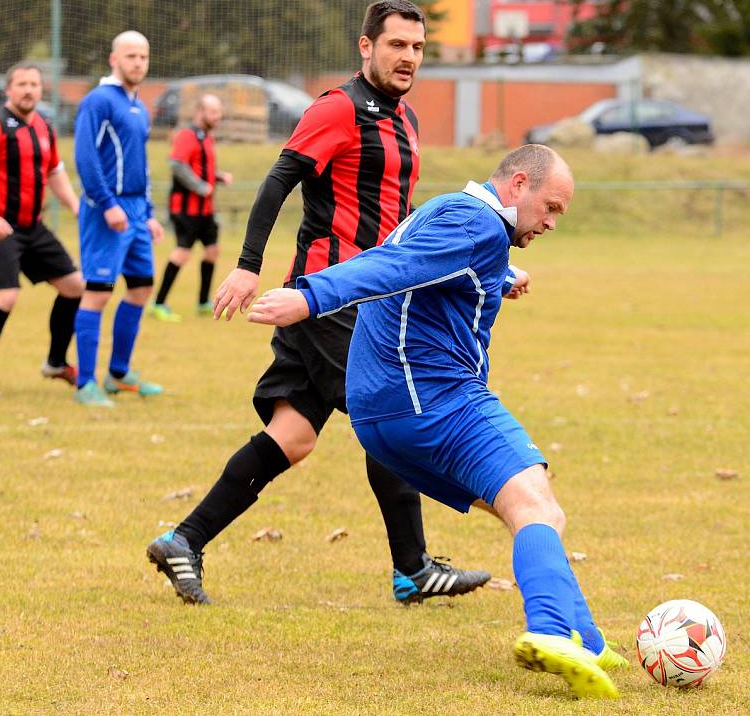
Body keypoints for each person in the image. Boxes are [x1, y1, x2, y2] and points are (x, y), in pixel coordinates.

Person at [246, 144, 631, 699]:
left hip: (384, 418)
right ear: (518, 184)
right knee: (535, 504)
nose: (550, 222)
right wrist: (310, 297)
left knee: (529, 506)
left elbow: (427, 267)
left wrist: (499, 274)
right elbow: (394, 267)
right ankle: (552, 633)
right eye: (551, 207)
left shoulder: (455, 214)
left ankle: (587, 640)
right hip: (432, 399)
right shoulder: (474, 223)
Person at [147, 0, 490, 605]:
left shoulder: (404, 119)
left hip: (366, 294)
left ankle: (184, 539)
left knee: (293, 435)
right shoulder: (339, 110)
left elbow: (397, 220)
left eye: (417, 47)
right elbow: (278, 180)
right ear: (366, 47)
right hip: (331, 297)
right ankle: (412, 569)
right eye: (396, 46)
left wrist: (477, 268)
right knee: (389, 421)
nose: (409, 57)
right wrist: (248, 267)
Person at [0, 61, 83, 399]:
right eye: (22, 84)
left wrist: (76, 206)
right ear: (8, 90)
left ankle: (56, 363)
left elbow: (55, 172)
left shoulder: (44, 126)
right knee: (6, 296)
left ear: (41, 90)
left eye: (34, 84)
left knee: (75, 286)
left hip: (33, 227)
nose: (29, 90)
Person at [73, 30, 165, 407]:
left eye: (143, 56)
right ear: (114, 59)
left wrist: (150, 213)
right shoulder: (98, 101)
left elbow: (138, 165)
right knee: (97, 293)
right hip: (105, 210)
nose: (138, 63)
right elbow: (85, 157)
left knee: (142, 287)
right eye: (130, 56)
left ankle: (118, 373)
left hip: (136, 212)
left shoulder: (139, 106)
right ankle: (84, 384)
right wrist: (106, 202)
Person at [150, 93, 233, 322]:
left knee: (212, 251)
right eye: (213, 112)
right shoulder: (187, 135)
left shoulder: (206, 137)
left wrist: (217, 177)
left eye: (219, 112)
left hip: (205, 210)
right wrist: (200, 187)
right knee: (182, 253)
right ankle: (158, 303)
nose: (218, 116)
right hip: (185, 209)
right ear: (200, 112)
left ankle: (203, 302)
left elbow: (200, 169)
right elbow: (177, 165)